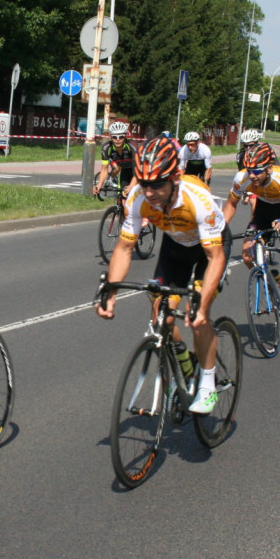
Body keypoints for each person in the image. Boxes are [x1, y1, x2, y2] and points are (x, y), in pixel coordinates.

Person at [95, 137, 227, 415]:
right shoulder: (138, 197)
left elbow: (216, 258)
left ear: (175, 177)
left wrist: (202, 306)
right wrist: (111, 292)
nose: (150, 192)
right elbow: (124, 248)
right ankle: (185, 363)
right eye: (144, 183)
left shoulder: (198, 199)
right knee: (160, 315)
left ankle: (206, 383)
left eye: (157, 184)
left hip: (208, 250)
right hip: (176, 246)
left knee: (196, 314)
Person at [222, 141, 280, 334]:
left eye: (257, 171)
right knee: (247, 255)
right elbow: (231, 204)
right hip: (263, 212)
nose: (252, 175)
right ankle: (274, 280)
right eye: (249, 170)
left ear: (269, 169)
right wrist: (219, 228)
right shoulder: (242, 178)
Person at [93, 121, 138, 197]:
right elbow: (104, 169)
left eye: (121, 137)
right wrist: (99, 184)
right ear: (110, 137)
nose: (118, 140)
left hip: (136, 171)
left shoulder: (132, 146)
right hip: (124, 171)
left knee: (134, 196)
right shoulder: (106, 148)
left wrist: (131, 186)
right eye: (114, 137)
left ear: (125, 136)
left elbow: (137, 170)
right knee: (123, 197)